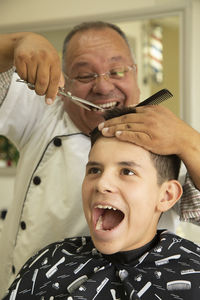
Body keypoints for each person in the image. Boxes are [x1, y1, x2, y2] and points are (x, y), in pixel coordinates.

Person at [0, 21, 200, 298]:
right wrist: (15, 44)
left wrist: (191, 143)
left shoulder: (170, 143)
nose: (104, 87)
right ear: (64, 82)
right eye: (84, 76)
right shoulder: (41, 112)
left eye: (117, 71)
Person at [3, 107, 200, 300]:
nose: (101, 183)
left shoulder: (193, 272)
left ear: (166, 196)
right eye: (94, 170)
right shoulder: (48, 262)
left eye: (127, 172)